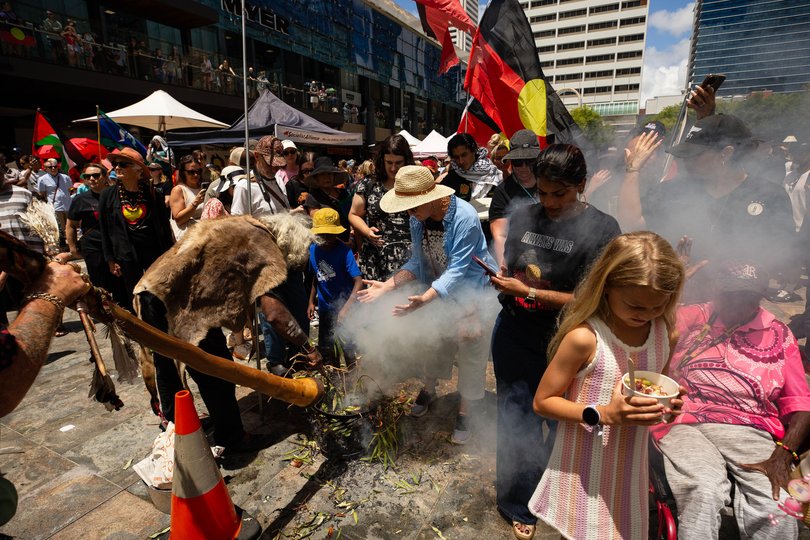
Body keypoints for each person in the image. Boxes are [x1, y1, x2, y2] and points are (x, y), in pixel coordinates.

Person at [487, 144, 622, 539]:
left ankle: (552, 491)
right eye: (543, 193)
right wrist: (504, 282)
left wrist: (530, 293)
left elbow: (596, 297)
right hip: (514, 333)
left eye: (559, 194)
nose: (549, 203)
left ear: (580, 185)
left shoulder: (604, 229)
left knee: (561, 420)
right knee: (516, 418)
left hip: (565, 341)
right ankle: (516, 502)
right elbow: (512, 266)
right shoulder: (525, 214)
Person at [529, 231, 686, 540]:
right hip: (583, 470)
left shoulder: (664, 334)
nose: (647, 315)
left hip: (629, 473)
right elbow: (543, 402)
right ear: (606, 286)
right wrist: (603, 414)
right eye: (636, 306)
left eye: (658, 306)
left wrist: (668, 408)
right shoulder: (584, 338)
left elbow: (659, 387)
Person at [653, 261, 810, 540]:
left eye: (748, 298)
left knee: (776, 506)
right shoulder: (691, 317)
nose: (738, 305)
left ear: (761, 297)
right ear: (716, 290)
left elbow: (800, 405)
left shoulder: (779, 334)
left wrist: (784, 455)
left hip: (750, 427)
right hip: (686, 420)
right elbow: (647, 321)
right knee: (703, 487)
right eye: (731, 296)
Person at [358, 165, 496, 444]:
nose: (408, 213)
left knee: (470, 350)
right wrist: (388, 285)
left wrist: (426, 298)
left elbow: (458, 270)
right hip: (438, 290)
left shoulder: (465, 217)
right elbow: (418, 262)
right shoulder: (418, 219)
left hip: (472, 292)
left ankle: (465, 412)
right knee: (435, 343)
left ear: (429, 196)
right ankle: (429, 388)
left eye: (411, 207)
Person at [619, 114, 794, 301]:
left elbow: (780, 256)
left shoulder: (769, 196)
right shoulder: (672, 191)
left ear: (726, 153)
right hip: (678, 303)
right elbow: (632, 225)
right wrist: (633, 170)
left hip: (737, 308)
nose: (686, 161)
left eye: (694, 155)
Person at [98, 147, 173, 312]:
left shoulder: (153, 193)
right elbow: (104, 230)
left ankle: (158, 322)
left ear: (138, 169)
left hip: (153, 251)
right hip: (125, 253)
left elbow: (164, 227)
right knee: (133, 292)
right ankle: (141, 324)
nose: (117, 168)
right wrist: (110, 259)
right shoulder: (108, 195)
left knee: (156, 289)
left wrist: (170, 254)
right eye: (115, 164)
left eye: (123, 164)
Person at [349, 134, 414, 281]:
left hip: (409, 260)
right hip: (375, 259)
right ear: (381, 160)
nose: (393, 168)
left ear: (407, 161)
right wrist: (366, 231)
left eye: (398, 163)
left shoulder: (415, 184)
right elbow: (353, 214)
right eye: (388, 162)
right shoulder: (368, 185)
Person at [56, 163, 123, 299]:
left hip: (117, 245)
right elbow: (71, 225)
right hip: (93, 247)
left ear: (104, 177)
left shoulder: (118, 194)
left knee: (120, 280)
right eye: (87, 176)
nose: (91, 179)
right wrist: (73, 247)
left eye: (96, 175)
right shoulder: (80, 199)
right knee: (99, 283)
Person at [307, 208, 363, 366]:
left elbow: (358, 281)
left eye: (330, 234)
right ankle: (334, 373)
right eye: (322, 234)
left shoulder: (344, 252)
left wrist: (346, 308)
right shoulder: (313, 250)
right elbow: (315, 277)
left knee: (348, 344)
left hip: (346, 305)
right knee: (327, 345)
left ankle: (353, 375)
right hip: (325, 306)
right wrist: (311, 301)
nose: (326, 238)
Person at [487, 129, 542, 267]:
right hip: (520, 260)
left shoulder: (549, 183)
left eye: (529, 161)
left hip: (552, 254)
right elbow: (500, 234)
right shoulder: (502, 192)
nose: (523, 167)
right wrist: (503, 266)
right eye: (518, 162)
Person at [438, 133, 501, 201]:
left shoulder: (494, 174)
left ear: (474, 151)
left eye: (464, 155)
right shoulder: (451, 179)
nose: (461, 161)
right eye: (456, 157)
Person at [303, 156, 352, 241]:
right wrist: (340, 244)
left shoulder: (344, 193)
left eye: (329, 173)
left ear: (334, 175)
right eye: (322, 174)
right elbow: (319, 225)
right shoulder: (313, 197)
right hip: (328, 244)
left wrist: (352, 237)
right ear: (316, 177)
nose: (327, 177)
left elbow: (352, 216)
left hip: (349, 240)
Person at [36, 158, 72, 251]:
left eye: (55, 166)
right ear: (46, 169)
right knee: (59, 228)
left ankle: (73, 245)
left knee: (70, 227)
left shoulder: (65, 177)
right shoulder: (42, 179)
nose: (53, 168)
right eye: (50, 167)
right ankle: (63, 247)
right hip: (55, 207)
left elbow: (69, 190)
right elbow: (42, 194)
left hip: (68, 205)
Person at [169, 155, 205, 241]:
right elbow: (179, 220)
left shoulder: (203, 188)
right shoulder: (178, 190)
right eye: (191, 172)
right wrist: (195, 203)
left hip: (204, 235)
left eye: (198, 171)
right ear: (183, 173)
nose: (196, 175)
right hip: (188, 240)